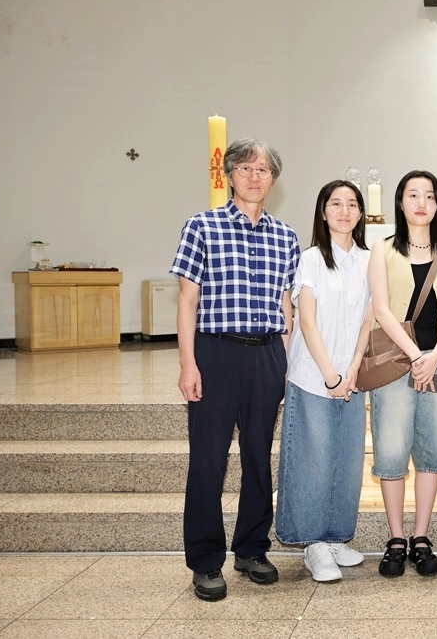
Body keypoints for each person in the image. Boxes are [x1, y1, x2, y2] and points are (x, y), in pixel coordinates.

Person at [170, 138, 300, 601]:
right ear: (229, 175)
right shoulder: (201, 226)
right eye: (245, 168)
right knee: (208, 459)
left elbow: (286, 304)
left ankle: (251, 548)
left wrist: (284, 362)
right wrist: (188, 363)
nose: (254, 176)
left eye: (263, 169)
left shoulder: (286, 236)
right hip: (216, 353)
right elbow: (187, 301)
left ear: (273, 179)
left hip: (266, 354)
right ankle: (206, 560)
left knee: (258, 458)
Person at [367, 169, 437, 577]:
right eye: (413, 195)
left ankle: (420, 537)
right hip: (395, 361)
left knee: (432, 450)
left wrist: (435, 354)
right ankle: (395, 537)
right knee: (392, 449)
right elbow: (381, 308)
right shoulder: (383, 249)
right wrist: (415, 356)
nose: (421, 202)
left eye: (429, 195)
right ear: (401, 202)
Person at [275, 180, 373, 583]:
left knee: (346, 460)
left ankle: (335, 537)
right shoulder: (311, 259)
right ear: (323, 211)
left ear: (361, 214)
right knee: (312, 460)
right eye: (336, 204)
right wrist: (331, 374)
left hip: (351, 377)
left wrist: (352, 368)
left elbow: (368, 319)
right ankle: (312, 543)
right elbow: (307, 321)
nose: (344, 211)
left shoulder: (369, 260)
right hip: (313, 376)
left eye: (352, 204)